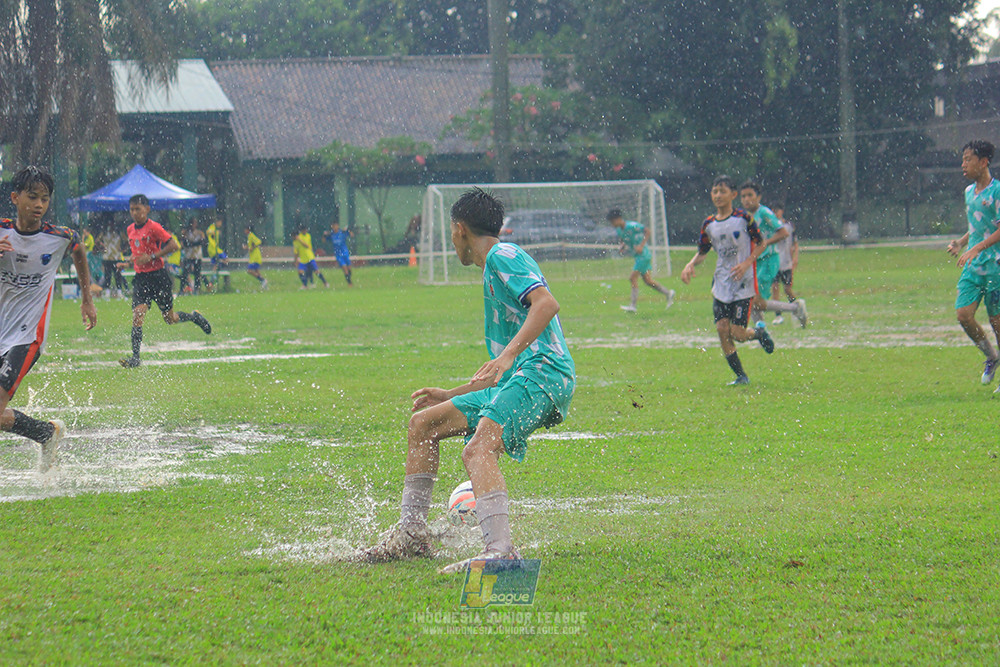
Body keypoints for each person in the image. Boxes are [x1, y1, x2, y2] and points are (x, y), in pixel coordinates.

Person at [358, 188, 575, 573]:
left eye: (451, 233)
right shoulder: (494, 267)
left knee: (478, 450)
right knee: (424, 424)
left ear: (460, 230)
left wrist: (508, 355)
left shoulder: (502, 255)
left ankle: (501, 552)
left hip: (545, 373)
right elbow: (500, 375)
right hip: (523, 376)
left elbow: (546, 304)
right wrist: (452, 393)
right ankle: (411, 535)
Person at [0, 166, 97, 471]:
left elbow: (78, 249)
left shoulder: (59, 237)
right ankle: (45, 433)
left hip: (27, 336)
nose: (39, 204)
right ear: (15, 198)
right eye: (32, 197)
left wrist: (87, 298)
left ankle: (45, 433)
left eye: (44, 198)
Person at [680, 175, 776, 386]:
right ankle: (741, 376)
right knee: (722, 329)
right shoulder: (709, 224)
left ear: (733, 195)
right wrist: (690, 264)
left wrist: (747, 263)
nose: (718, 195)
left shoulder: (744, 218)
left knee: (738, 334)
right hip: (721, 283)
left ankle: (758, 333)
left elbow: (761, 243)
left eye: (722, 191)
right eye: (715, 191)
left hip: (743, 283)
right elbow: (703, 251)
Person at [118, 195, 211, 368]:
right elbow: (138, 254)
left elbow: (174, 245)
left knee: (170, 318)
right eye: (132, 209)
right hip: (141, 279)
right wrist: (127, 263)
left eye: (138, 209)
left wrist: (152, 256)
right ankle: (135, 357)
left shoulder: (154, 227)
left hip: (159, 277)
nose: (134, 213)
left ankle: (193, 317)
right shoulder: (130, 229)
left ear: (147, 209)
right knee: (138, 313)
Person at [946, 139, 1000, 388]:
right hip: (973, 265)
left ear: (984, 162)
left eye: (968, 159)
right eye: (963, 159)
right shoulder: (969, 192)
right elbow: (978, 225)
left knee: (997, 321)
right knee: (964, 315)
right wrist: (961, 242)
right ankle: (991, 356)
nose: (963, 164)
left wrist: (977, 248)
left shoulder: (997, 191)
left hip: (995, 265)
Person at [739, 182, 806, 327]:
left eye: (750, 195)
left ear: (758, 197)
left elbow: (783, 232)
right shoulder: (746, 216)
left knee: (755, 300)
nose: (746, 199)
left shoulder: (764, 212)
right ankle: (761, 331)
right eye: (743, 196)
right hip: (756, 261)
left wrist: (764, 243)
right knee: (751, 299)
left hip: (769, 260)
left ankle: (795, 308)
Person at [606, 209, 675, 312]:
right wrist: (622, 246)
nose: (612, 224)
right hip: (638, 257)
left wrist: (641, 246)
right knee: (648, 281)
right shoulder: (619, 230)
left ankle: (633, 306)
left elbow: (647, 231)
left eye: (613, 221)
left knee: (632, 278)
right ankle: (668, 293)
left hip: (643, 255)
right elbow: (625, 238)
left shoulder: (632, 226)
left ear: (618, 219)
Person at [770, 205, 801, 324]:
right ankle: (778, 315)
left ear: (781, 211)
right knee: (775, 288)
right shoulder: (770, 226)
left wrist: (795, 258)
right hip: (774, 263)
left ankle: (796, 308)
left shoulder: (788, 226)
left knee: (787, 289)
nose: (775, 213)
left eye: (776, 211)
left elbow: (795, 243)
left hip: (786, 262)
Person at [99, 223, 129, 298]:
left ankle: (119, 291)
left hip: (116, 257)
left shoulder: (119, 233)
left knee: (118, 275)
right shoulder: (104, 233)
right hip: (107, 257)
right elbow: (97, 241)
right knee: (107, 276)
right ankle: (107, 292)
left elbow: (127, 241)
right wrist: (102, 248)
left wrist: (123, 249)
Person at [323, 220, 353, 286]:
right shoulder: (331, 235)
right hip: (338, 254)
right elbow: (324, 241)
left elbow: (351, 235)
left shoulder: (342, 232)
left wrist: (348, 230)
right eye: (333, 226)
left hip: (345, 252)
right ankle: (349, 283)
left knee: (349, 267)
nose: (334, 227)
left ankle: (349, 277)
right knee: (344, 268)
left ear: (338, 226)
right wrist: (324, 235)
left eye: (335, 226)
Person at [180, 218, 206, 295]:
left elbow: (202, 242)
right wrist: (194, 243)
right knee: (185, 273)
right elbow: (185, 243)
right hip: (188, 255)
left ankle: (197, 289)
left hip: (197, 255)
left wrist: (192, 243)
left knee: (197, 273)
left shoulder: (200, 233)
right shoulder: (186, 233)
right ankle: (182, 289)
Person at [205, 218, 228, 290]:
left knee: (215, 266)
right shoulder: (212, 227)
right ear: (217, 221)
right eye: (220, 222)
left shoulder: (216, 228)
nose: (221, 224)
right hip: (213, 249)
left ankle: (211, 283)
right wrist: (214, 232)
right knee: (225, 259)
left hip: (214, 249)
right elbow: (208, 232)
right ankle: (219, 268)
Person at [244, 224, 267, 289]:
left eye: (245, 229)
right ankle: (264, 284)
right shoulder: (249, 236)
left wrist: (252, 247)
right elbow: (251, 246)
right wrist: (247, 247)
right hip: (254, 257)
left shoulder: (251, 235)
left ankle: (263, 280)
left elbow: (258, 242)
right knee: (257, 271)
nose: (244, 231)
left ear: (248, 230)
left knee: (249, 270)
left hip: (255, 257)